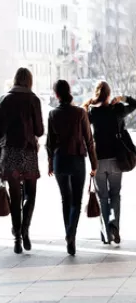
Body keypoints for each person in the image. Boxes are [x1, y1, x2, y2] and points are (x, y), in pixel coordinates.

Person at [46, 80, 97, 255]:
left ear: (57, 95)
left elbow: (49, 143)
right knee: (76, 200)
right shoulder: (80, 113)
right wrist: (94, 163)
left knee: (65, 199)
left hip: (60, 159)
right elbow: (89, 141)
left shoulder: (53, 114)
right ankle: (71, 235)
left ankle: (69, 235)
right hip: (77, 159)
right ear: (69, 92)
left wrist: (50, 162)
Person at [0, 67, 44, 254]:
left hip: (10, 153)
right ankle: (25, 229)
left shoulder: (4, 100)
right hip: (28, 152)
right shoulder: (34, 100)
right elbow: (39, 131)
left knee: (15, 197)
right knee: (30, 194)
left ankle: (16, 237)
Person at [83, 81, 136, 245]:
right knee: (115, 195)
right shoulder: (117, 109)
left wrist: (90, 102)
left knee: (102, 198)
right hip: (116, 160)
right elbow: (134, 104)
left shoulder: (92, 112)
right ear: (108, 95)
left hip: (98, 160)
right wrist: (121, 98)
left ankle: (106, 233)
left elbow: (82, 120)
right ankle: (114, 227)